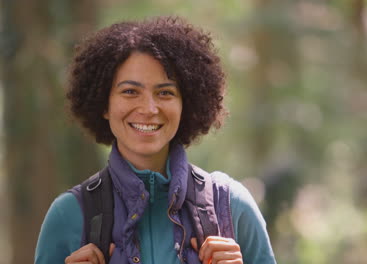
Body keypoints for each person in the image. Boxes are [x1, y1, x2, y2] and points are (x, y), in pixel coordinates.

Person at [34, 16, 276, 264]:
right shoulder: (68, 214)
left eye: (165, 92)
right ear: (104, 104)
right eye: (130, 91)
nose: (149, 108)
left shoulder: (232, 205)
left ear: (186, 104)